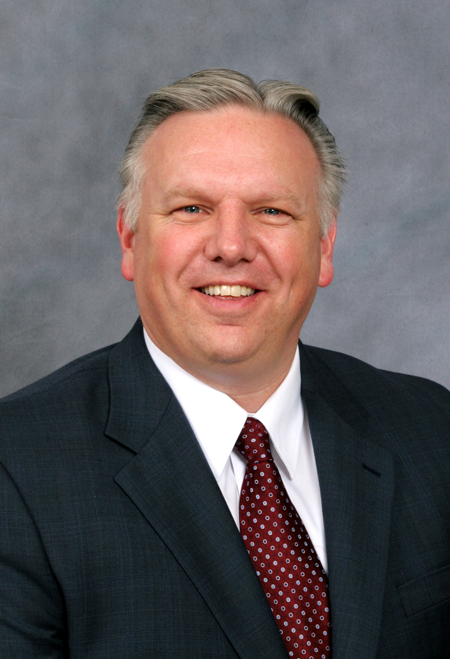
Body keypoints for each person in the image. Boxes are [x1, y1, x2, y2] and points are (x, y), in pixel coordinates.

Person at [0, 69, 449, 659]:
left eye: (272, 211)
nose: (231, 246)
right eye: (191, 208)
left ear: (324, 246)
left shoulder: (432, 429)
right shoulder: (16, 468)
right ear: (130, 239)